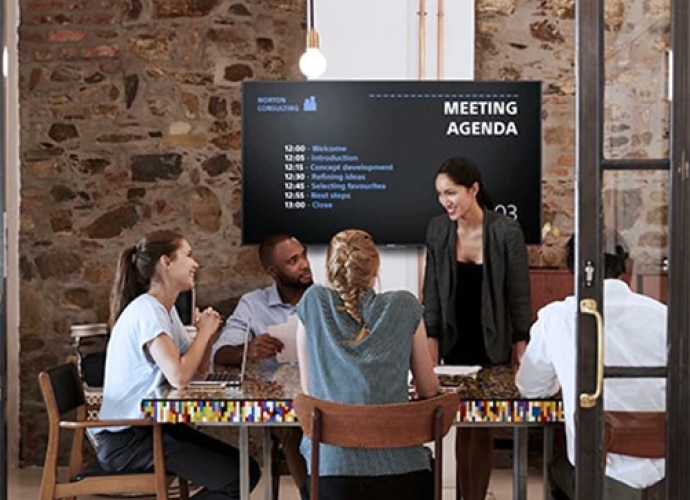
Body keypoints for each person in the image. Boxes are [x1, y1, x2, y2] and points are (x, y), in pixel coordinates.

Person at [96, 230, 261, 500]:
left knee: (246, 470)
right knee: (237, 477)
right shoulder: (147, 311)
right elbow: (179, 376)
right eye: (188, 255)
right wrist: (205, 333)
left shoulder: (166, 310)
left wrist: (206, 336)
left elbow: (198, 370)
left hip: (154, 428)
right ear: (166, 263)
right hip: (128, 441)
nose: (195, 264)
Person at [516, 234, 666, 499]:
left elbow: (531, 388)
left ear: (572, 271)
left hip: (602, 478)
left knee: (556, 469)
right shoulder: (664, 316)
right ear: (626, 267)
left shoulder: (556, 318)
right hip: (670, 476)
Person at [296, 229, 440, 500]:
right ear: (375, 267)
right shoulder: (404, 305)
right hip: (403, 476)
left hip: (332, 473)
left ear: (330, 267)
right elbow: (429, 388)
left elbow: (310, 392)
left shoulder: (313, 303)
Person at [422, 156, 532, 500]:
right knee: (460, 424)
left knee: (482, 427)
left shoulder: (505, 231)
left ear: (473, 189)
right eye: (441, 194)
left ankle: (475, 496)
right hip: (454, 342)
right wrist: (430, 351)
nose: (446, 202)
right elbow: (432, 297)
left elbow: (519, 295)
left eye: (451, 192)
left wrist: (520, 350)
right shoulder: (438, 229)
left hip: (492, 341)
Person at [213, 234, 312, 499]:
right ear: (273, 271)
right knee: (295, 431)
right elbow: (220, 353)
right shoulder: (253, 304)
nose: (304, 264)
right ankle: (311, 495)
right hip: (281, 402)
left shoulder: (325, 298)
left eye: (303, 255)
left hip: (324, 394)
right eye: (293, 261)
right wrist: (248, 350)